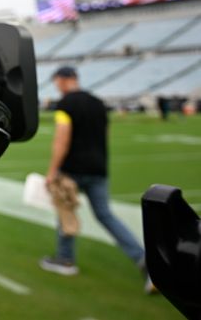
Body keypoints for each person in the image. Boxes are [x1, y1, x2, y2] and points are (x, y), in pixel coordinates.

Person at [39, 66, 152, 292]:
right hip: (98, 167)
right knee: (105, 215)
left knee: (66, 211)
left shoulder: (66, 104)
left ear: (63, 80)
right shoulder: (98, 103)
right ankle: (144, 260)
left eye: (57, 81)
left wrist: (52, 171)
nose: (57, 85)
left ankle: (65, 259)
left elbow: (62, 140)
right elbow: (105, 135)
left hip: (72, 168)